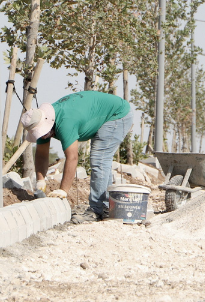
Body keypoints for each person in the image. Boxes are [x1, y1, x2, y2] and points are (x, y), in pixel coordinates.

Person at [20, 90, 134, 223]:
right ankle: (107, 207)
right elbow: (41, 154)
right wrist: (40, 181)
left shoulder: (65, 122)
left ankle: (97, 210)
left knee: (99, 159)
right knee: (102, 160)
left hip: (117, 114)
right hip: (107, 111)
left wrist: (63, 190)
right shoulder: (43, 123)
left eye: (43, 132)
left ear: (48, 124)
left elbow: (72, 157)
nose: (43, 137)